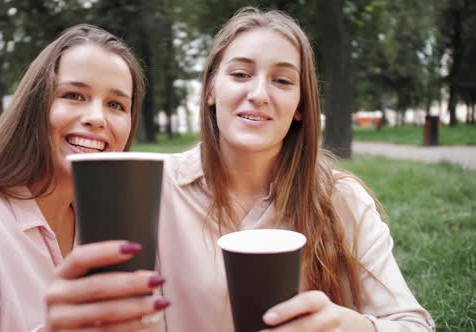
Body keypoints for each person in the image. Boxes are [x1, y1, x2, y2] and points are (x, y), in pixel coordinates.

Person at [156, 7, 435, 332]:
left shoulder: (343, 200)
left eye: (282, 80)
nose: (258, 94)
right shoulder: (151, 189)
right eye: (240, 74)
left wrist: (347, 326)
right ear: (210, 90)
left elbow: (414, 325)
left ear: (301, 105)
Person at [0, 24, 171, 332]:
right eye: (74, 95)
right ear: (35, 106)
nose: (96, 117)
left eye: (116, 104)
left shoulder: (116, 227)